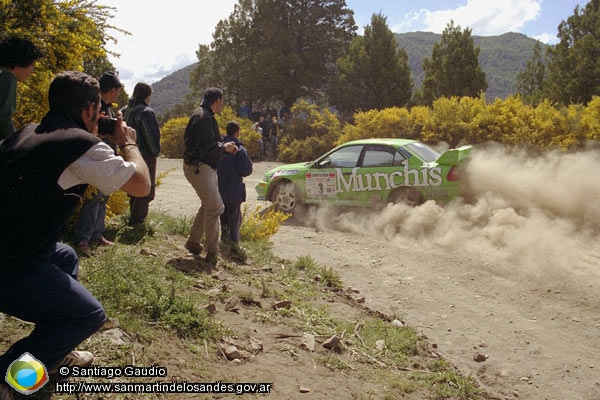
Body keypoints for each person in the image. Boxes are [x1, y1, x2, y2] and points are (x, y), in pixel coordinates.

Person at [0, 71, 150, 392]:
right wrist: (127, 142)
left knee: (66, 256)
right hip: (10, 268)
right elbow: (141, 185)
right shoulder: (81, 146)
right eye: (100, 111)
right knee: (88, 316)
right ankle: (10, 377)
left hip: (10, 250)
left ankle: (51, 353)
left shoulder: (24, 134)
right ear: (89, 110)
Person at [183, 87, 237, 265]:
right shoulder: (205, 118)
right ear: (217, 101)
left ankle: (193, 242)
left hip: (198, 166)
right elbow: (208, 147)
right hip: (200, 166)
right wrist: (225, 148)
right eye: (221, 102)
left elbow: (205, 143)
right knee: (215, 208)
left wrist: (222, 145)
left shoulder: (200, 114)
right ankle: (213, 253)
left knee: (208, 205)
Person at [72, 71, 123, 255]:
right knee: (93, 199)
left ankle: (96, 234)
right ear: (111, 89)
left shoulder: (108, 108)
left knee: (103, 198)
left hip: (107, 157)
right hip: (95, 158)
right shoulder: (94, 106)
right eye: (117, 90)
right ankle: (82, 239)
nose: (118, 94)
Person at [121, 82, 161, 226]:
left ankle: (132, 218)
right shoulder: (146, 112)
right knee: (145, 189)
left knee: (133, 187)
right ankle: (137, 222)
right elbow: (151, 137)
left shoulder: (124, 110)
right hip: (144, 156)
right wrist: (155, 152)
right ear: (148, 95)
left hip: (126, 153)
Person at [217, 121, 253, 260]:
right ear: (237, 132)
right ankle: (233, 248)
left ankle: (223, 245)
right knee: (234, 221)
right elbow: (247, 170)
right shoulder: (239, 149)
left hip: (219, 189)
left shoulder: (219, 147)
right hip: (234, 190)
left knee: (223, 219)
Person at [0, 36, 43, 140]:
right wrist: (13, 142)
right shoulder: (8, 78)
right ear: (20, 63)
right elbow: (4, 118)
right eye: (32, 65)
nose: (33, 71)